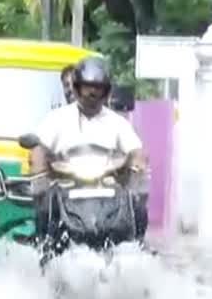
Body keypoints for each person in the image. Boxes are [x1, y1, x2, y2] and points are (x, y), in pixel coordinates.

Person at [29, 56, 149, 243]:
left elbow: (136, 151)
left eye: (98, 87)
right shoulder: (57, 118)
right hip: (65, 183)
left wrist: (137, 170)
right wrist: (39, 175)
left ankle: (138, 245)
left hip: (106, 183)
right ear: (77, 88)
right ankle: (44, 248)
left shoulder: (118, 122)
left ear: (106, 90)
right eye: (87, 86)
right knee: (45, 205)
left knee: (137, 204)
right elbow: (39, 148)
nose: (92, 92)